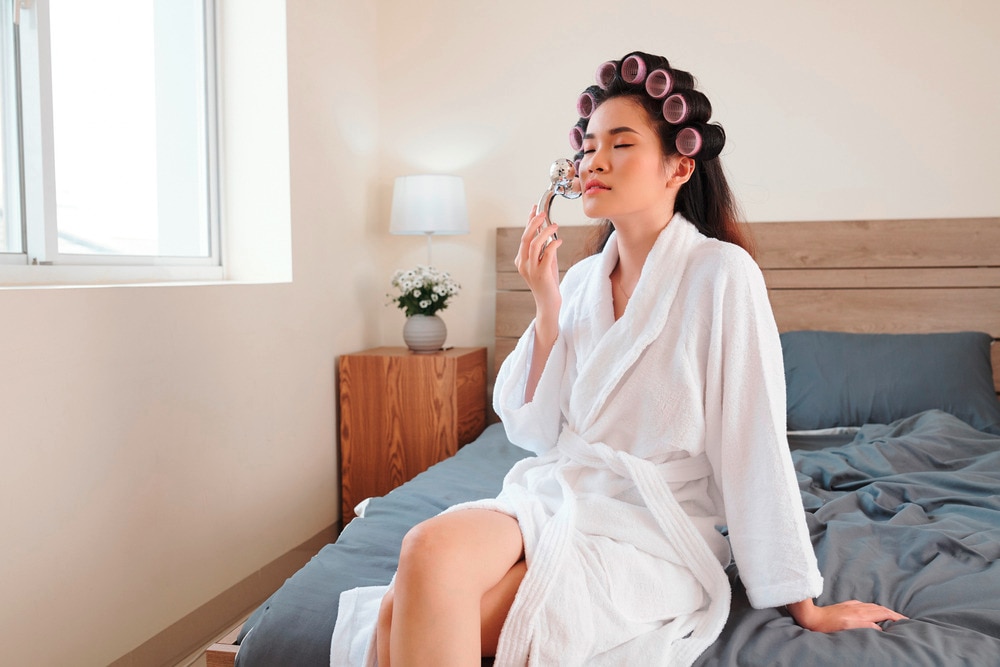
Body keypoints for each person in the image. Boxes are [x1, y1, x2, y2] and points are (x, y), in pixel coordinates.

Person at [341, 51, 906, 667]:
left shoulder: (721, 274)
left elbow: (754, 441)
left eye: (621, 143)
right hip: (559, 493)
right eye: (587, 147)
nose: (595, 161)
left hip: (653, 529)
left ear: (678, 165)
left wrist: (804, 603)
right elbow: (532, 429)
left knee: (405, 614)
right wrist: (546, 302)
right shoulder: (581, 281)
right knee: (426, 547)